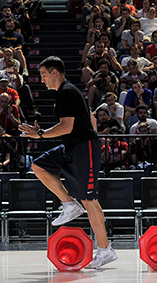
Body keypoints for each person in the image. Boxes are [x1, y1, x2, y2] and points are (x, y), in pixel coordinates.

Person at [18, 56, 117, 269]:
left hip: (84, 148)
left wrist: (40, 135)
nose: (41, 79)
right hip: (71, 147)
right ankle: (69, 203)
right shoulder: (65, 93)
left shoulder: (67, 92)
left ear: (55, 72)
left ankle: (105, 249)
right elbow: (89, 116)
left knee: (90, 201)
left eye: (43, 74)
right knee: (38, 165)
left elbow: (66, 127)